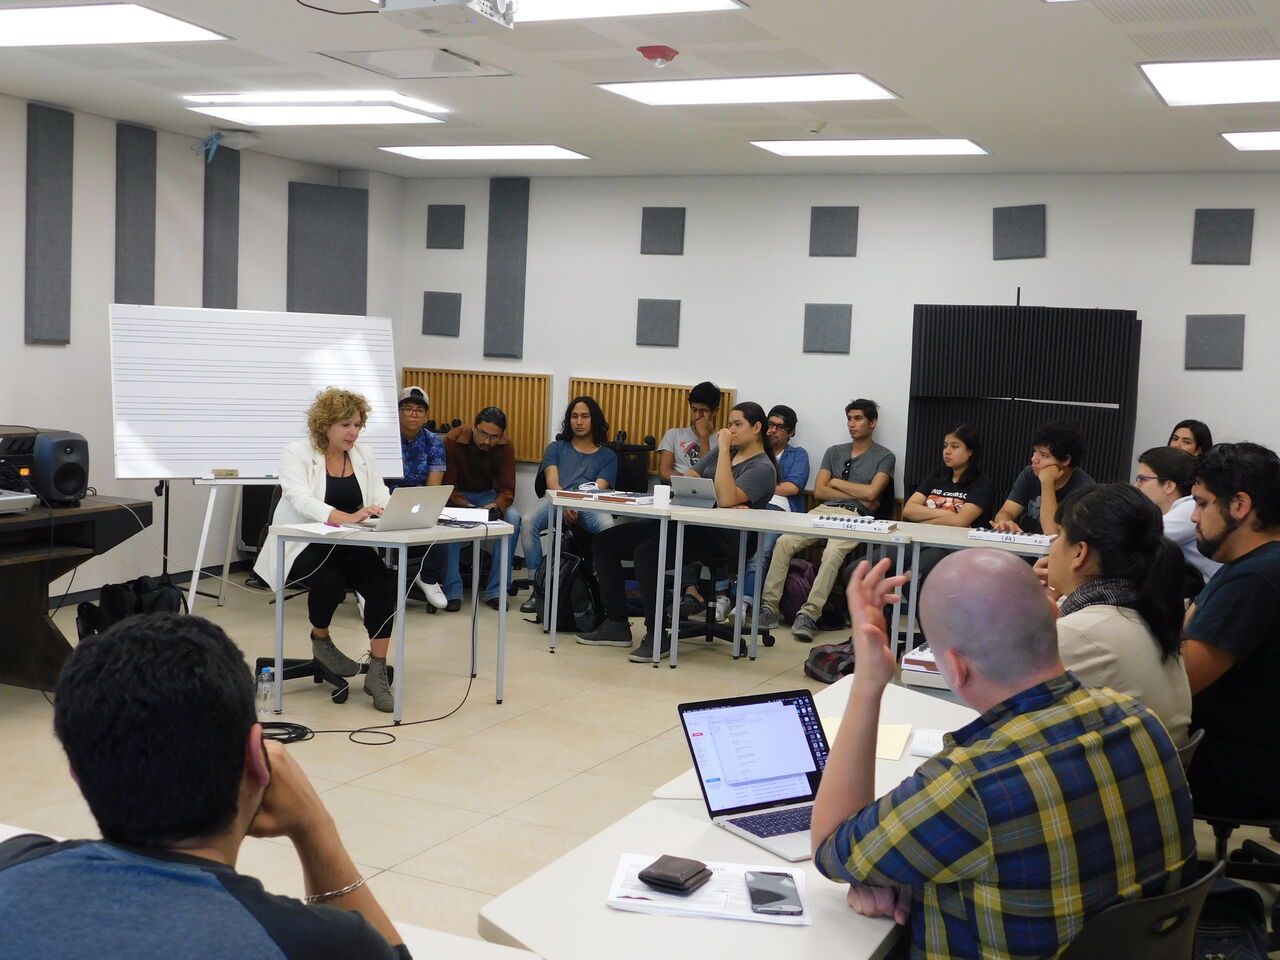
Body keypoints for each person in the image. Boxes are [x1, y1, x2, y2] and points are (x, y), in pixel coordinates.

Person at [812, 551, 1195, 960]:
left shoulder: (972, 783)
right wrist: (901, 876)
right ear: (1053, 616)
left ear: (955, 668)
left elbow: (832, 847)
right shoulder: (1139, 720)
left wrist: (868, 681)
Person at [0, 613, 407, 958]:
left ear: (76, 770)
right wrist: (315, 829)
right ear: (257, 758)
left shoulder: (13, 863)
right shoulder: (322, 943)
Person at [578, 402, 779, 662]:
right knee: (606, 542)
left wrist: (723, 452)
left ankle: (657, 635)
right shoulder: (723, 453)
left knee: (647, 554)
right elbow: (689, 478)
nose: (730, 430)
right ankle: (616, 624)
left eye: (737, 424)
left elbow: (727, 498)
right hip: (690, 522)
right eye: (730, 424)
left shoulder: (762, 468)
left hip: (723, 537)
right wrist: (714, 488)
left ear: (757, 428)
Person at [253, 386, 397, 712]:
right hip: (303, 541)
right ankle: (321, 641)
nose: (353, 432)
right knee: (329, 578)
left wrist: (389, 512)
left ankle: (377, 669)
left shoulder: (364, 455)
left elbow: (380, 494)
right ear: (325, 425)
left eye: (357, 425)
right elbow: (300, 499)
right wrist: (344, 516)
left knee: (381, 582)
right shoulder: (297, 452)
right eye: (345, 425)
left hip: (349, 539)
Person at [1035, 483, 1191, 746]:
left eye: (1059, 535)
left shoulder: (1082, 632)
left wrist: (1024, 610)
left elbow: (998, 705)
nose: (1052, 546)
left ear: (1079, 552)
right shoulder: (1142, 612)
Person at [1181, 441, 1280, 817]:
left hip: (1238, 770)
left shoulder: (1255, 578)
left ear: (1239, 505)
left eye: (1201, 503)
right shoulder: (1249, 566)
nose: (1194, 518)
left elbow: (1179, 681)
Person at [752, 399, 895, 642]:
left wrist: (836, 482)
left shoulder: (885, 456)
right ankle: (769, 608)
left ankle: (809, 614)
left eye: (858, 419)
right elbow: (819, 491)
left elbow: (872, 494)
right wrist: (856, 490)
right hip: (823, 509)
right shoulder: (834, 451)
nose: (852, 424)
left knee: (833, 552)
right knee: (784, 542)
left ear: (873, 422)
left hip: (856, 515)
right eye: (849, 419)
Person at [519, 395, 618, 614]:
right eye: (574, 416)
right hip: (556, 501)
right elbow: (552, 483)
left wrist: (575, 504)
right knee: (527, 521)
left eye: (584, 416)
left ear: (594, 419)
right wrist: (565, 504)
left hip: (589, 504)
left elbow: (598, 488)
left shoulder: (608, 455)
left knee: (608, 528)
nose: (578, 421)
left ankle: (599, 590)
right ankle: (538, 587)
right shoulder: (556, 448)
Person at [440, 406, 521, 611]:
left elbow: (507, 489)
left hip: (487, 496)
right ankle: (452, 591)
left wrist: (496, 505)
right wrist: (468, 507)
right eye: (483, 434)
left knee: (514, 518)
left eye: (494, 437)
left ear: (501, 435)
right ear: (474, 426)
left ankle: (497, 591)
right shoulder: (452, 440)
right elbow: (447, 486)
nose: (487, 441)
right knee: (448, 523)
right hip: (457, 497)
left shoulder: (505, 445)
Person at [899, 424, 996, 587]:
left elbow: (960, 522)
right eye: (945, 446)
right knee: (866, 565)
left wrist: (922, 523)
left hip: (954, 546)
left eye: (955, 446)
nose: (947, 451)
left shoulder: (982, 484)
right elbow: (909, 509)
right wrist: (949, 515)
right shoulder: (936, 476)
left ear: (970, 451)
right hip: (920, 539)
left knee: (913, 577)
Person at [737, 404, 811, 609]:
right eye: (770, 425)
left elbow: (792, 487)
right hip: (748, 507)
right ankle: (721, 596)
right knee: (726, 543)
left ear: (791, 432)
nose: (772, 430)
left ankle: (744, 603)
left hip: (778, 511)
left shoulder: (798, 455)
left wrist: (757, 488)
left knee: (761, 552)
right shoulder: (753, 451)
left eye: (779, 427)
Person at [389, 386, 449, 611]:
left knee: (442, 522)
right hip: (385, 499)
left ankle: (428, 577)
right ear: (398, 412)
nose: (413, 414)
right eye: (408, 409)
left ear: (426, 415)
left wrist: (423, 506)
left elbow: (433, 486)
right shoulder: (386, 439)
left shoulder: (434, 442)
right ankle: (366, 588)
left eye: (419, 410)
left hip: (419, 500)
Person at [992, 419, 1094, 537]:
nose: (1034, 459)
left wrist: (1047, 482)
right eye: (1035, 451)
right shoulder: (1030, 473)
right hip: (1025, 545)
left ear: (1066, 460)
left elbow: (1053, 534)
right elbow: (1006, 511)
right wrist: (1005, 523)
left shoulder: (1085, 490)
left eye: (1044, 455)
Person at [1134, 445, 1221, 583]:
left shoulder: (1190, 507)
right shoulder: (1175, 511)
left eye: (1142, 479)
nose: (1136, 486)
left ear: (1169, 486)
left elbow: (1139, 539)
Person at [657, 380, 720, 481]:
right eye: (694, 410)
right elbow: (664, 473)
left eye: (703, 411)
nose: (697, 416)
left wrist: (704, 437)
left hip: (705, 490)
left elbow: (706, 475)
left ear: (714, 411)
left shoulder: (722, 442)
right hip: (675, 489)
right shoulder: (673, 434)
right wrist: (691, 481)